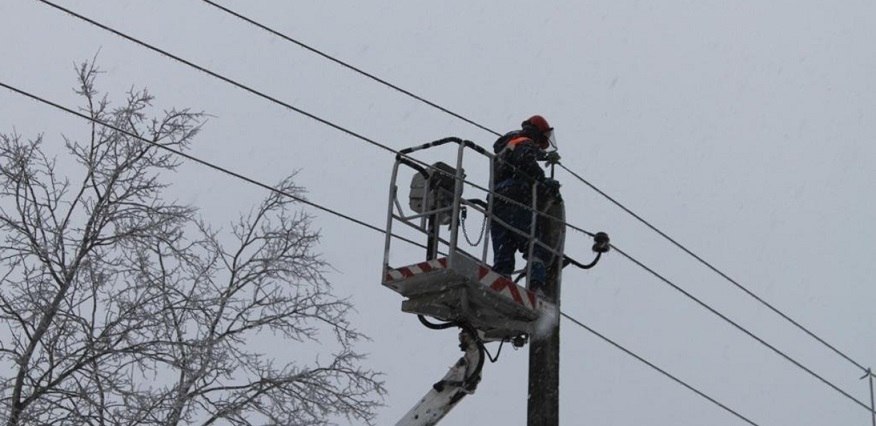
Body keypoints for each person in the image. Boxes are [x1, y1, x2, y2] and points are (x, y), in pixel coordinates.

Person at [490, 115, 561, 293]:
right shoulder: (525, 142)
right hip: (517, 199)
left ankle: (501, 281)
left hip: (497, 201)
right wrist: (544, 181)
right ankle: (536, 285)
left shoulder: (507, 144)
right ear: (537, 132)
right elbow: (526, 161)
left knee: (503, 249)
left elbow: (518, 158)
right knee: (535, 245)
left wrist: (543, 156)